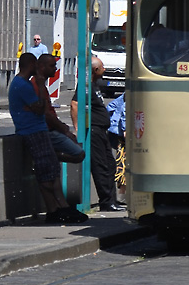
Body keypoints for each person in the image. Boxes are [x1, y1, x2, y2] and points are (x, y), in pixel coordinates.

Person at [8, 53, 86, 223]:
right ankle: (56, 210)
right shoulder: (23, 85)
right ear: (31, 65)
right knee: (47, 172)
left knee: (50, 171)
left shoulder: (20, 84)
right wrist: (42, 88)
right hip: (33, 131)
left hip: (35, 131)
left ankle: (58, 209)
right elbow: (39, 109)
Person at [70, 56, 123, 211]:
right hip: (94, 131)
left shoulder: (95, 85)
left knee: (110, 164)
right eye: (102, 67)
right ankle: (106, 202)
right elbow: (74, 104)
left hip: (101, 130)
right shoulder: (86, 86)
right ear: (95, 70)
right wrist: (77, 128)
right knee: (101, 166)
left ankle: (111, 199)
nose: (105, 70)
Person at [34, 54, 85, 165]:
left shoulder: (40, 85)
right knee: (79, 153)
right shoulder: (37, 86)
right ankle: (49, 155)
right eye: (52, 66)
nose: (55, 69)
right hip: (47, 131)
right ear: (42, 67)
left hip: (50, 129)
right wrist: (64, 129)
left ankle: (49, 155)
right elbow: (46, 113)